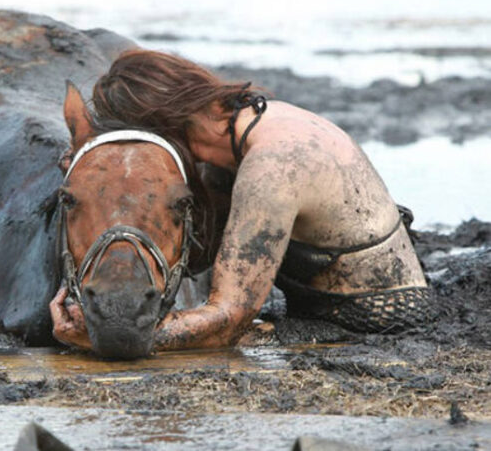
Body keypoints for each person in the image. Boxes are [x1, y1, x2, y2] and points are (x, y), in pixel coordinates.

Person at [50, 49, 433, 351]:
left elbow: (228, 320)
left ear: (163, 124)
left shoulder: (273, 167)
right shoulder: (247, 133)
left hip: (371, 321)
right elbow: (200, 256)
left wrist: (108, 335)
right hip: (328, 305)